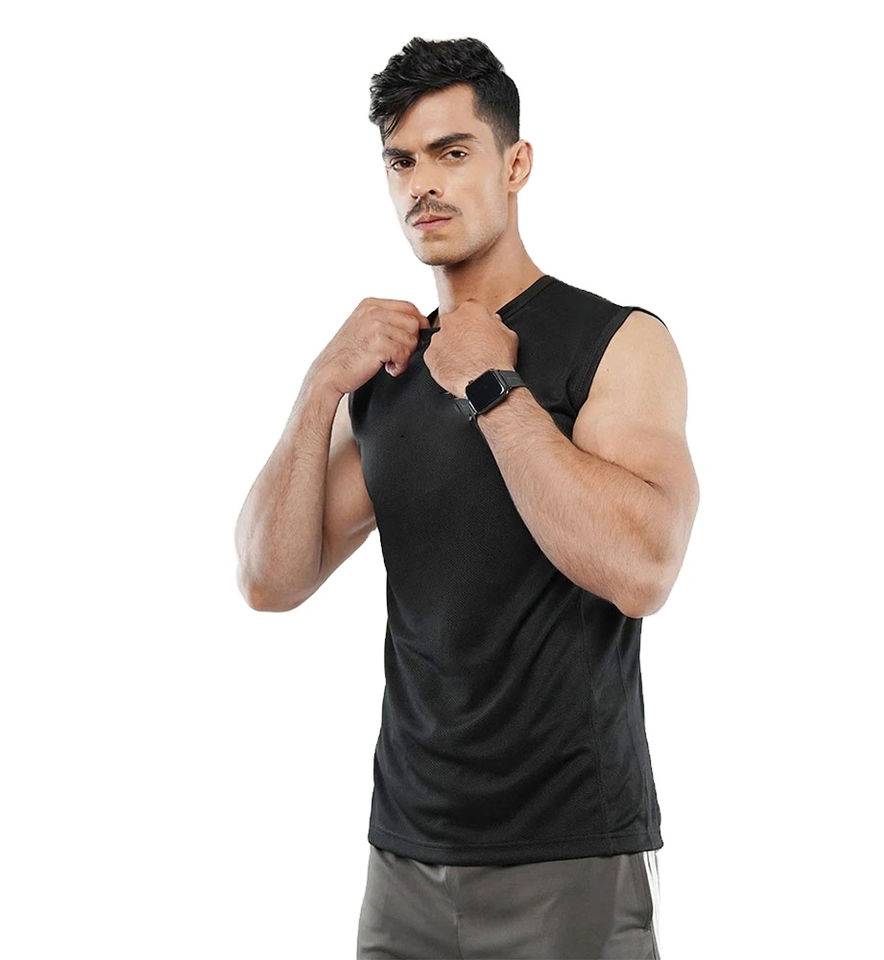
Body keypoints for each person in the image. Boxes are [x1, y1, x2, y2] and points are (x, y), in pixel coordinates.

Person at [235, 35, 698, 960]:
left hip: (570, 856)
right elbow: (267, 578)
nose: (423, 185)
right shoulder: (387, 370)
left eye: (452, 152)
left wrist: (494, 389)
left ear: (515, 164)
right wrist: (319, 387)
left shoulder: (616, 341)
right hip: (403, 859)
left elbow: (643, 569)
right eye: (401, 161)